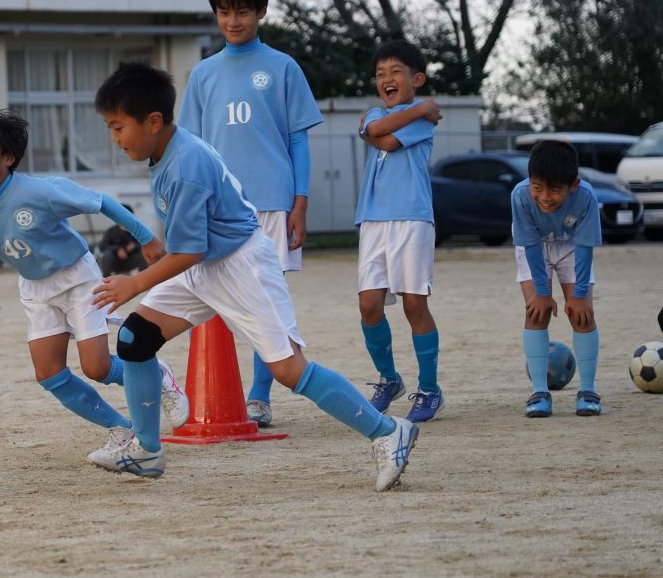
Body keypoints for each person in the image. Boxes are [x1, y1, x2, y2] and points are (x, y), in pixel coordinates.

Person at [89, 62, 419, 492]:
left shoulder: (186, 164)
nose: (114, 139)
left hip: (242, 266)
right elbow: (193, 250)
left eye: (118, 128)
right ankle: (147, 450)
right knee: (135, 339)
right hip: (206, 264)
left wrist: (136, 282)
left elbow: (190, 251)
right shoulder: (163, 151)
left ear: (153, 122)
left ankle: (387, 431)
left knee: (288, 369)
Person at [0, 107, 190, 462]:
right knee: (49, 373)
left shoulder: (40, 191)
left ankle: (159, 375)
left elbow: (102, 202)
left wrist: (146, 238)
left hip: (76, 278)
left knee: (97, 368)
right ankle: (123, 431)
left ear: (8, 157)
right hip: (35, 289)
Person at [176, 0, 323, 429]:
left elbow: (299, 140)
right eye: (224, 12)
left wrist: (299, 203)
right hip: (219, 206)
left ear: (261, 11)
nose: (233, 21)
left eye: (242, 12)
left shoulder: (283, 67)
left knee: (266, 301)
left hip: (272, 200)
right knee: (212, 294)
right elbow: (190, 149)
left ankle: (259, 397)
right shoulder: (202, 75)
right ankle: (216, 393)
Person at [355, 40, 445, 423]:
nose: (386, 79)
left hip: (412, 219)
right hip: (373, 220)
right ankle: (389, 380)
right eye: (380, 74)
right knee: (369, 304)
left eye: (395, 72)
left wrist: (419, 110)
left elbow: (384, 138)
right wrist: (377, 127)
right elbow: (372, 126)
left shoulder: (423, 118)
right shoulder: (392, 111)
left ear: (417, 79)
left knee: (413, 304)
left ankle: (429, 389)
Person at [511, 139, 603, 417]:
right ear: (530, 181)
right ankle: (539, 392)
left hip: (572, 246)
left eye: (555, 190)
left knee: (582, 314)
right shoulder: (520, 195)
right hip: (534, 246)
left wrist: (579, 295)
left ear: (572, 185)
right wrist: (541, 291)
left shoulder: (586, 196)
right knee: (535, 312)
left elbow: (586, 246)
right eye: (538, 187)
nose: (545, 197)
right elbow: (529, 244)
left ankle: (588, 390)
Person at [96, 203, 148, 277]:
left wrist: (134, 246)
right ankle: (106, 280)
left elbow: (145, 243)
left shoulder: (136, 230)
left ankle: (143, 278)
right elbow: (102, 246)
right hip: (115, 262)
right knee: (106, 256)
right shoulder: (111, 231)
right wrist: (117, 250)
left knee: (143, 253)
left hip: (130, 261)